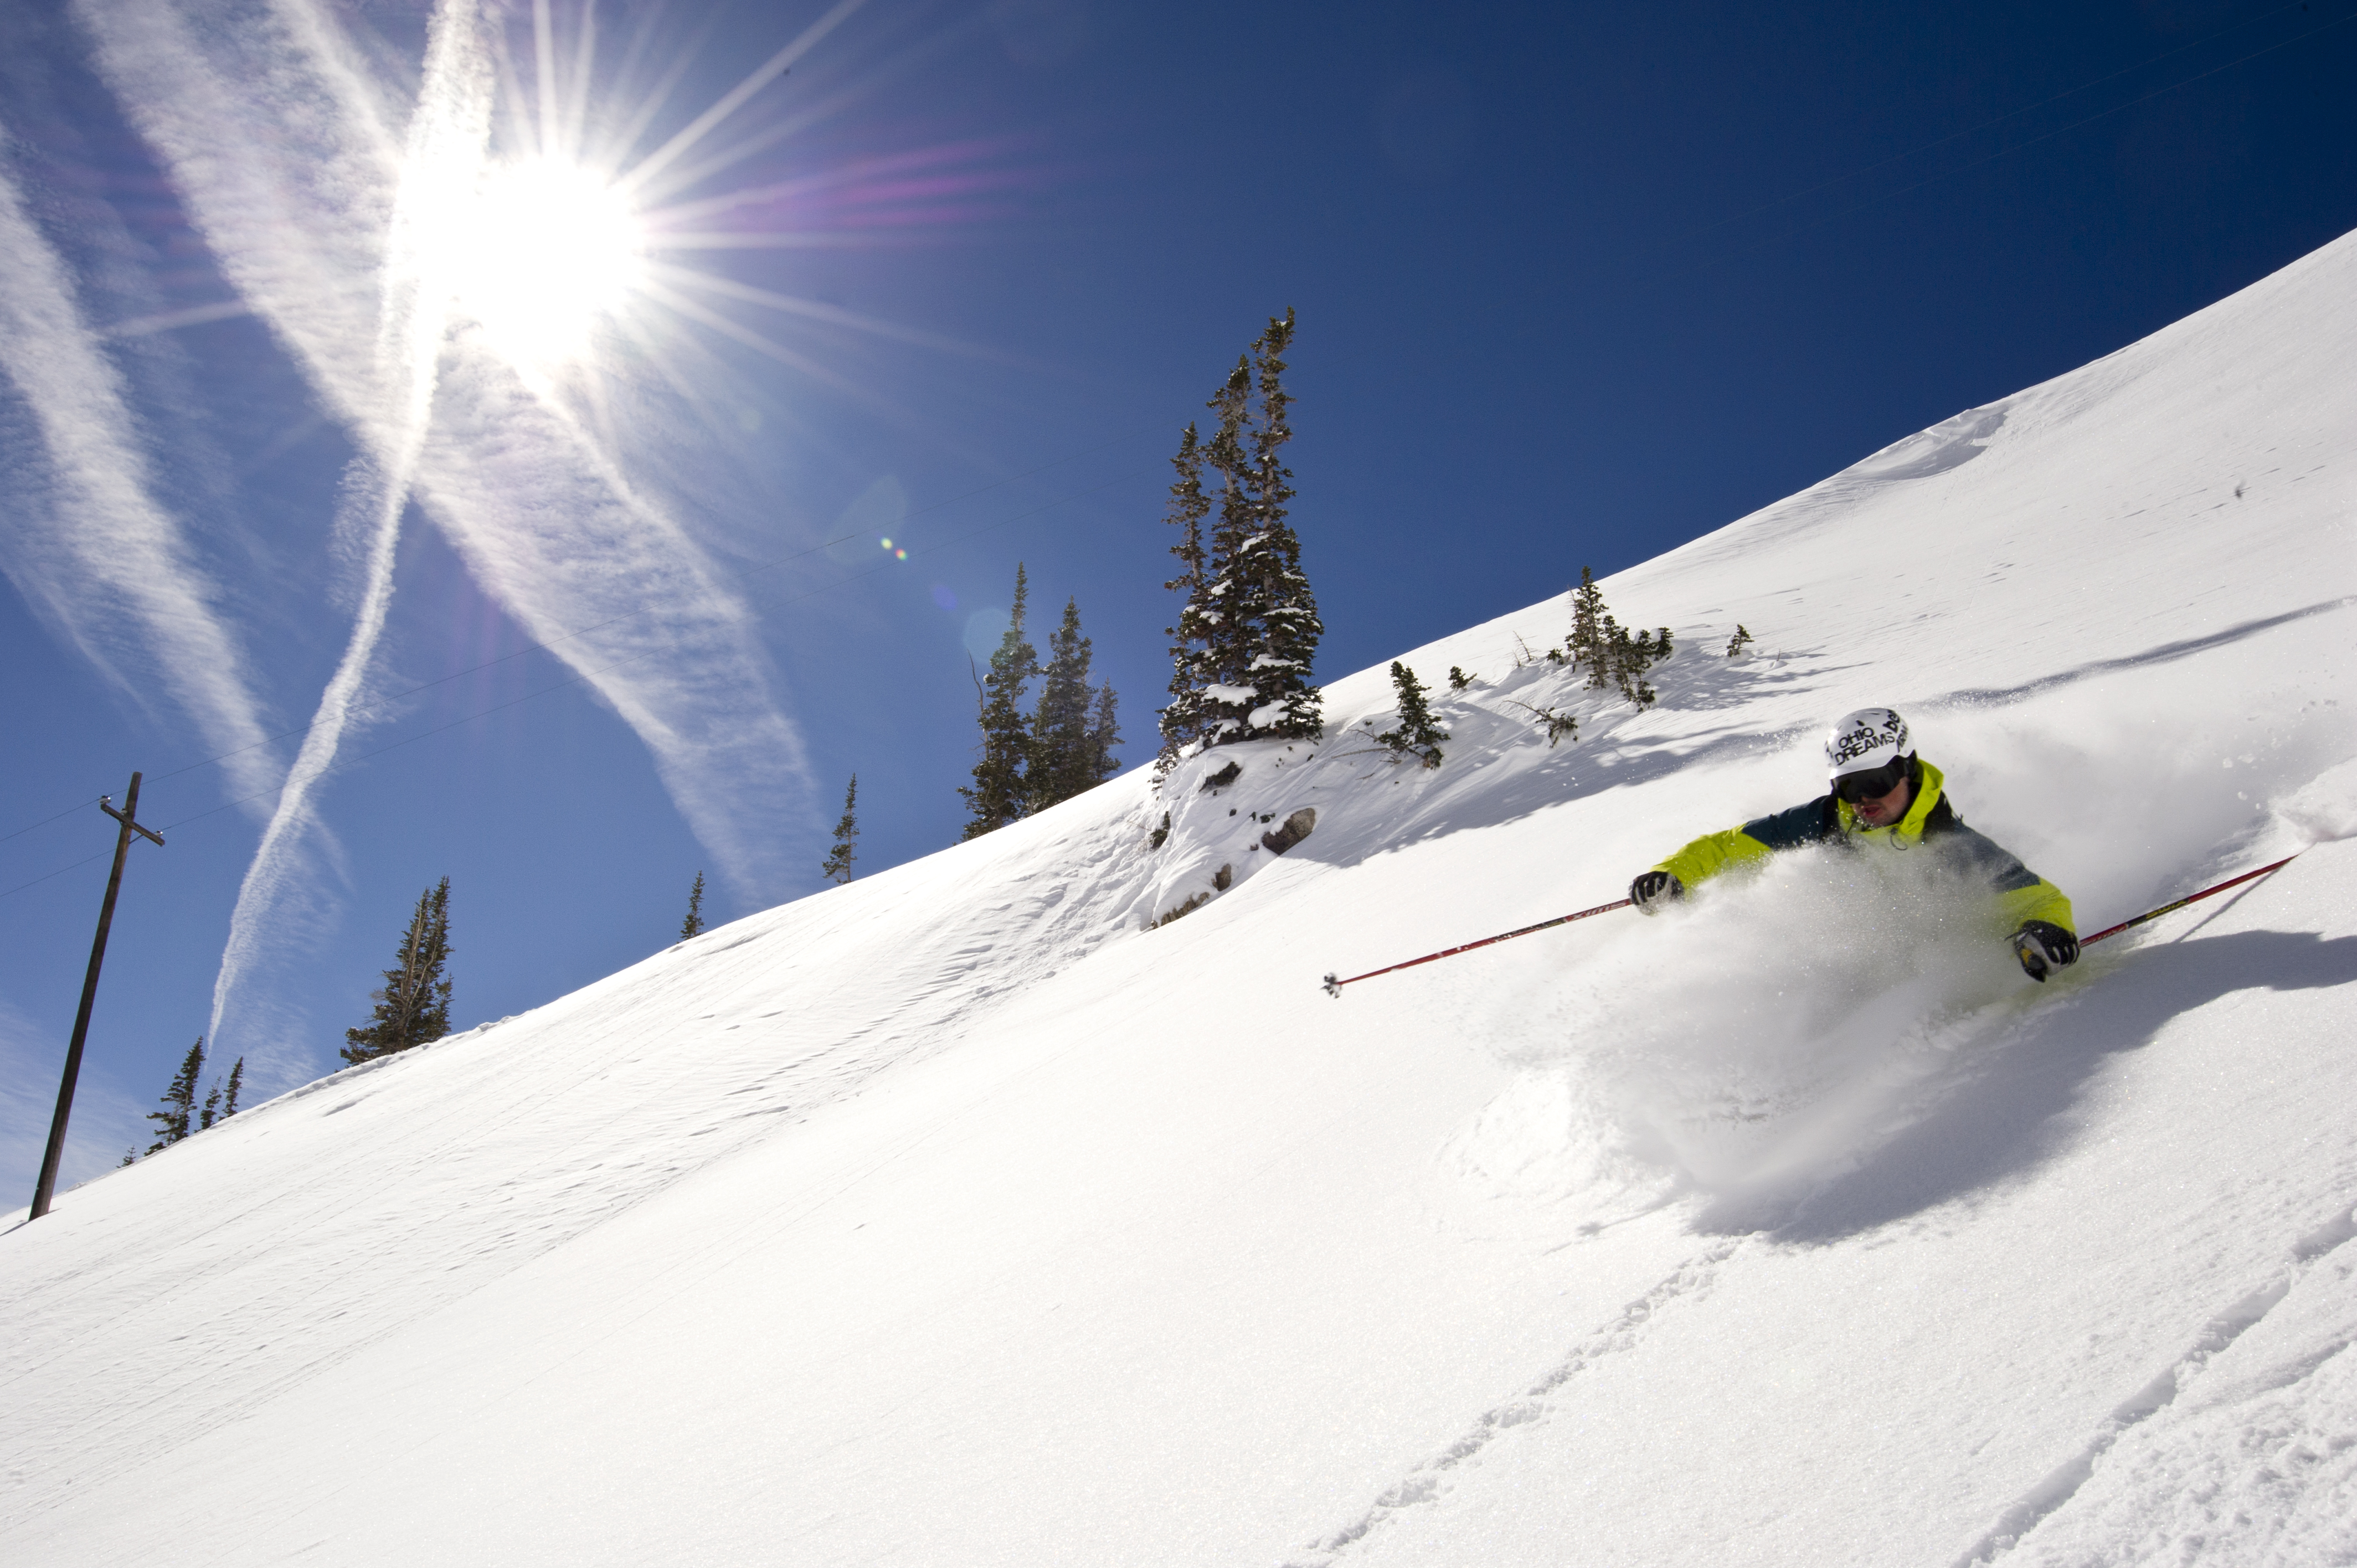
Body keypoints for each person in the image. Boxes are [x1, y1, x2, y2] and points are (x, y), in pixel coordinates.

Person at [1628, 708, 2081, 981]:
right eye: (1849, 786)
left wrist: (2047, 930)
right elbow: (1731, 845)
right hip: (1853, 960)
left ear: (1907, 769)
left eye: (1877, 781)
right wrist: (1675, 873)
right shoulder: (1828, 819)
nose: (1864, 800)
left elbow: (2042, 900)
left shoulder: (1951, 843)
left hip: (1930, 962)